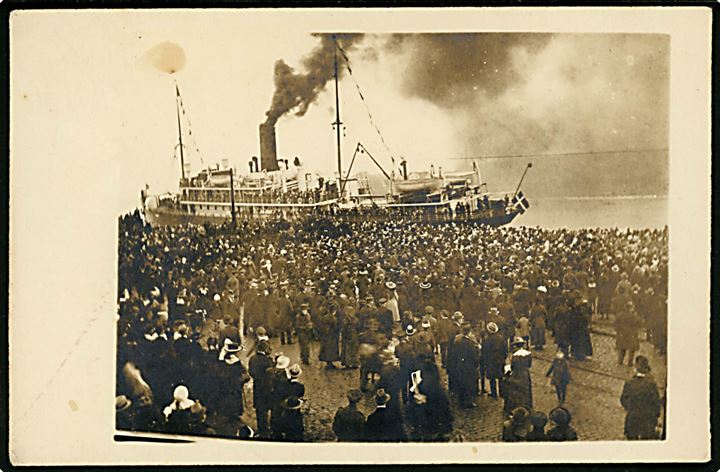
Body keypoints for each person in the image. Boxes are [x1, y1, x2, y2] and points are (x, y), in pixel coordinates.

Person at [620, 355, 661, 440]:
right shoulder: (651, 385)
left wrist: (631, 408)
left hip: (633, 418)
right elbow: (656, 403)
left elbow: (623, 400)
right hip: (647, 421)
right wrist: (655, 416)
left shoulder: (630, 383)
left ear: (636, 368)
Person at [248, 340, 274, 437]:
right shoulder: (268, 360)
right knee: (271, 407)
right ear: (265, 349)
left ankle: (262, 429)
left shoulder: (252, 359)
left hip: (258, 387)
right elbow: (272, 373)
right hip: (268, 387)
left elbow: (251, 372)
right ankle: (270, 428)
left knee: (260, 410)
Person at [482, 322, 507, 398]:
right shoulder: (501, 338)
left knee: (492, 378)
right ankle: (502, 392)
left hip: (491, 361)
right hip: (500, 360)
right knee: (500, 376)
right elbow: (505, 349)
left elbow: (484, 351)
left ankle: (494, 393)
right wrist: (503, 358)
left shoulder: (487, 340)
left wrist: (485, 360)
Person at [615, 301, 643, 366]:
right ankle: (630, 363)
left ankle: (620, 361)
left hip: (622, 334)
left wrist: (618, 331)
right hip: (631, 335)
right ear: (631, 308)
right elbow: (640, 323)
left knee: (622, 349)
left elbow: (616, 324)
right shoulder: (634, 316)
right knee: (631, 350)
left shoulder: (620, 315)